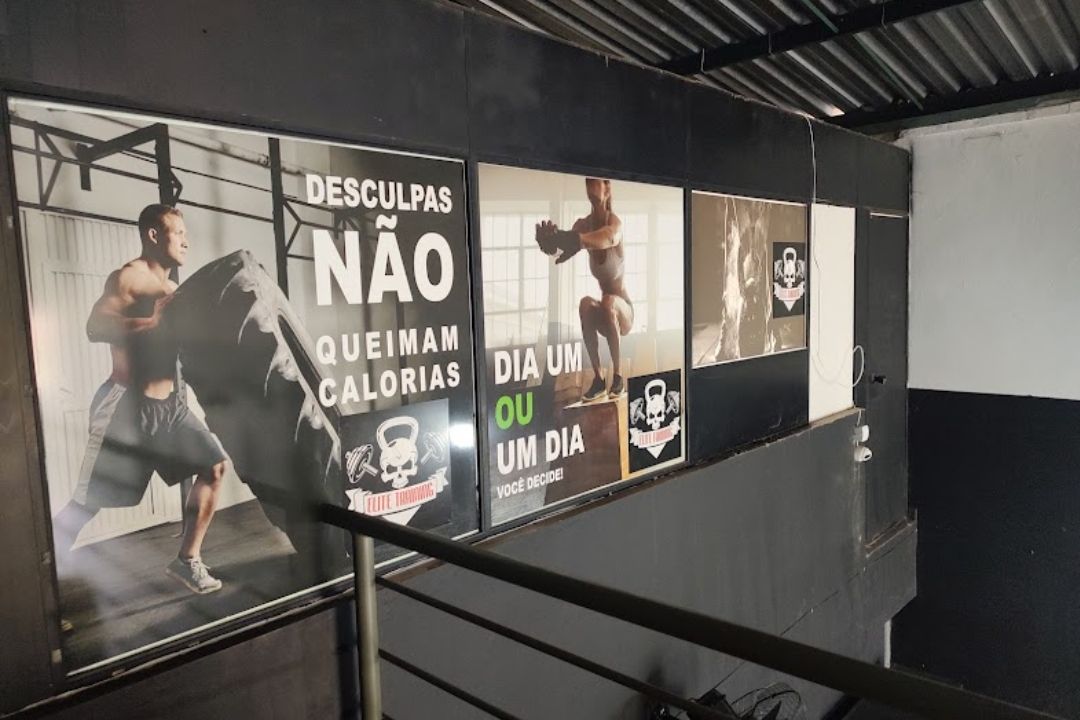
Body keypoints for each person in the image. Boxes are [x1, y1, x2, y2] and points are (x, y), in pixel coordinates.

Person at [52, 204, 229, 595]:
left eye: (186, 233)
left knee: (214, 466)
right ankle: (41, 572)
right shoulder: (128, 276)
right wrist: (151, 322)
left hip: (170, 407)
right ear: (153, 234)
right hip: (126, 407)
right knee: (87, 503)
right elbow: (95, 327)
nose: (186, 241)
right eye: (178, 232)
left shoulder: (174, 292)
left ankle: (187, 560)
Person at [536, 178, 634, 402]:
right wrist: (549, 243)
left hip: (624, 313)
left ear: (607, 187)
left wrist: (573, 239)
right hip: (606, 315)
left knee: (609, 300)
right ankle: (599, 379)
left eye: (595, 180)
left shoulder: (614, 223)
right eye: (588, 180)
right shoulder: (583, 225)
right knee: (586, 303)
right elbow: (561, 250)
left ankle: (617, 377)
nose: (590, 184)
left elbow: (606, 238)